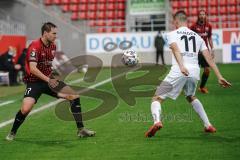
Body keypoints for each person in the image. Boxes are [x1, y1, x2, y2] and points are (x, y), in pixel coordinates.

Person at [145, 11, 231, 138]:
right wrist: (219, 76)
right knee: (190, 96)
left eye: (173, 22)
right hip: (194, 71)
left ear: (176, 21)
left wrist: (181, 66)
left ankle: (157, 122)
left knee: (156, 98)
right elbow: (209, 58)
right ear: (186, 21)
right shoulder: (198, 37)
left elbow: (175, 49)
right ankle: (208, 125)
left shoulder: (172, 34)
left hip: (180, 70)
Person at [6, 22, 95, 141]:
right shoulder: (34, 46)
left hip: (49, 81)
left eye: (56, 33)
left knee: (74, 96)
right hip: (34, 82)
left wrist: (51, 78)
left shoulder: (53, 46)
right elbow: (33, 68)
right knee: (26, 109)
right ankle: (12, 132)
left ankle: (81, 130)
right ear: (45, 33)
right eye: (53, 33)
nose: (55, 36)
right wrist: (48, 79)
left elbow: (47, 65)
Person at [190, 10, 214, 94]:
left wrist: (212, 49)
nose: (202, 16)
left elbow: (209, 38)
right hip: (196, 52)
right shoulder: (193, 26)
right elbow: (189, 39)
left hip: (205, 51)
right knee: (192, 71)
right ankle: (186, 86)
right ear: (198, 16)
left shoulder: (209, 26)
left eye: (203, 14)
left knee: (207, 70)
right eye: (200, 14)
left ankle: (202, 87)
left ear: (205, 15)